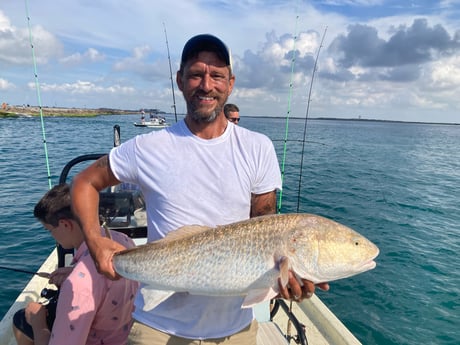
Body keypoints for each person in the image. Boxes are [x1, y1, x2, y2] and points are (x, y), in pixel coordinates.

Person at [71, 34, 328, 344]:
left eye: (217, 75)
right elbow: (85, 182)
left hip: (236, 331)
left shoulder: (258, 148)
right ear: (180, 81)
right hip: (156, 326)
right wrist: (95, 241)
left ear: (230, 83)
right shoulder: (147, 147)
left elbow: (265, 227)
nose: (207, 85)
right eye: (196, 74)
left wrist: (286, 280)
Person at [12, 184, 139, 345]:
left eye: (49, 230)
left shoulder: (78, 285)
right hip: (121, 336)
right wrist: (74, 271)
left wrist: (39, 324)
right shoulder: (124, 240)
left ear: (66, 224)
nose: (52, 236)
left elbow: (87, 284)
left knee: (21, 320)